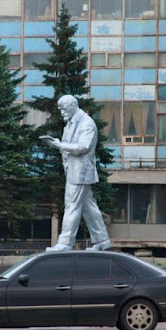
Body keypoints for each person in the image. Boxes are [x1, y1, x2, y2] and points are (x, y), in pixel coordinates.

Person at [40, 94, 112, 252]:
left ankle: (65, 243)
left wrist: (59, 145)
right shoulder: (71, 123)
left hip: (80, 173)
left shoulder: (87, 123)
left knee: (72, 206)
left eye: (64, 109)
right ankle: (102, 240)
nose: (62, 112)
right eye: (59, 109)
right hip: (74, 171)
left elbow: (83, 147)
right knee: (89, 207)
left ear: (73, 106)